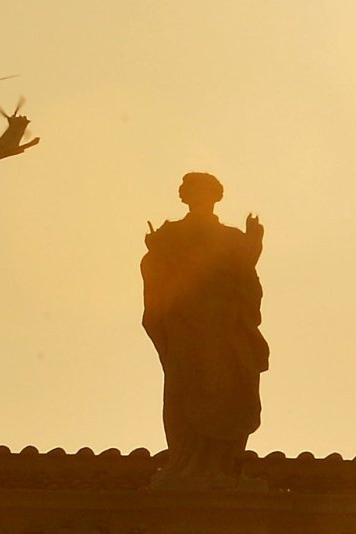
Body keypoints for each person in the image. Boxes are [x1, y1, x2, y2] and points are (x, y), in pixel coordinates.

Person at [141, 172, 269, 489]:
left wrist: (252, 247)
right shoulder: (169, 236)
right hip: (186, 326)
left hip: (225, 329)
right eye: (193, 192)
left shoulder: (232, 238)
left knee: (231, 388)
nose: (200, 198)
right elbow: (157, 276)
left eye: (206, 192)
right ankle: (186, 463)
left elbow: (245, 280)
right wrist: (155, 256)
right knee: (185, 388)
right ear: (185, 197)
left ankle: (223, 464)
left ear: (216, 196)